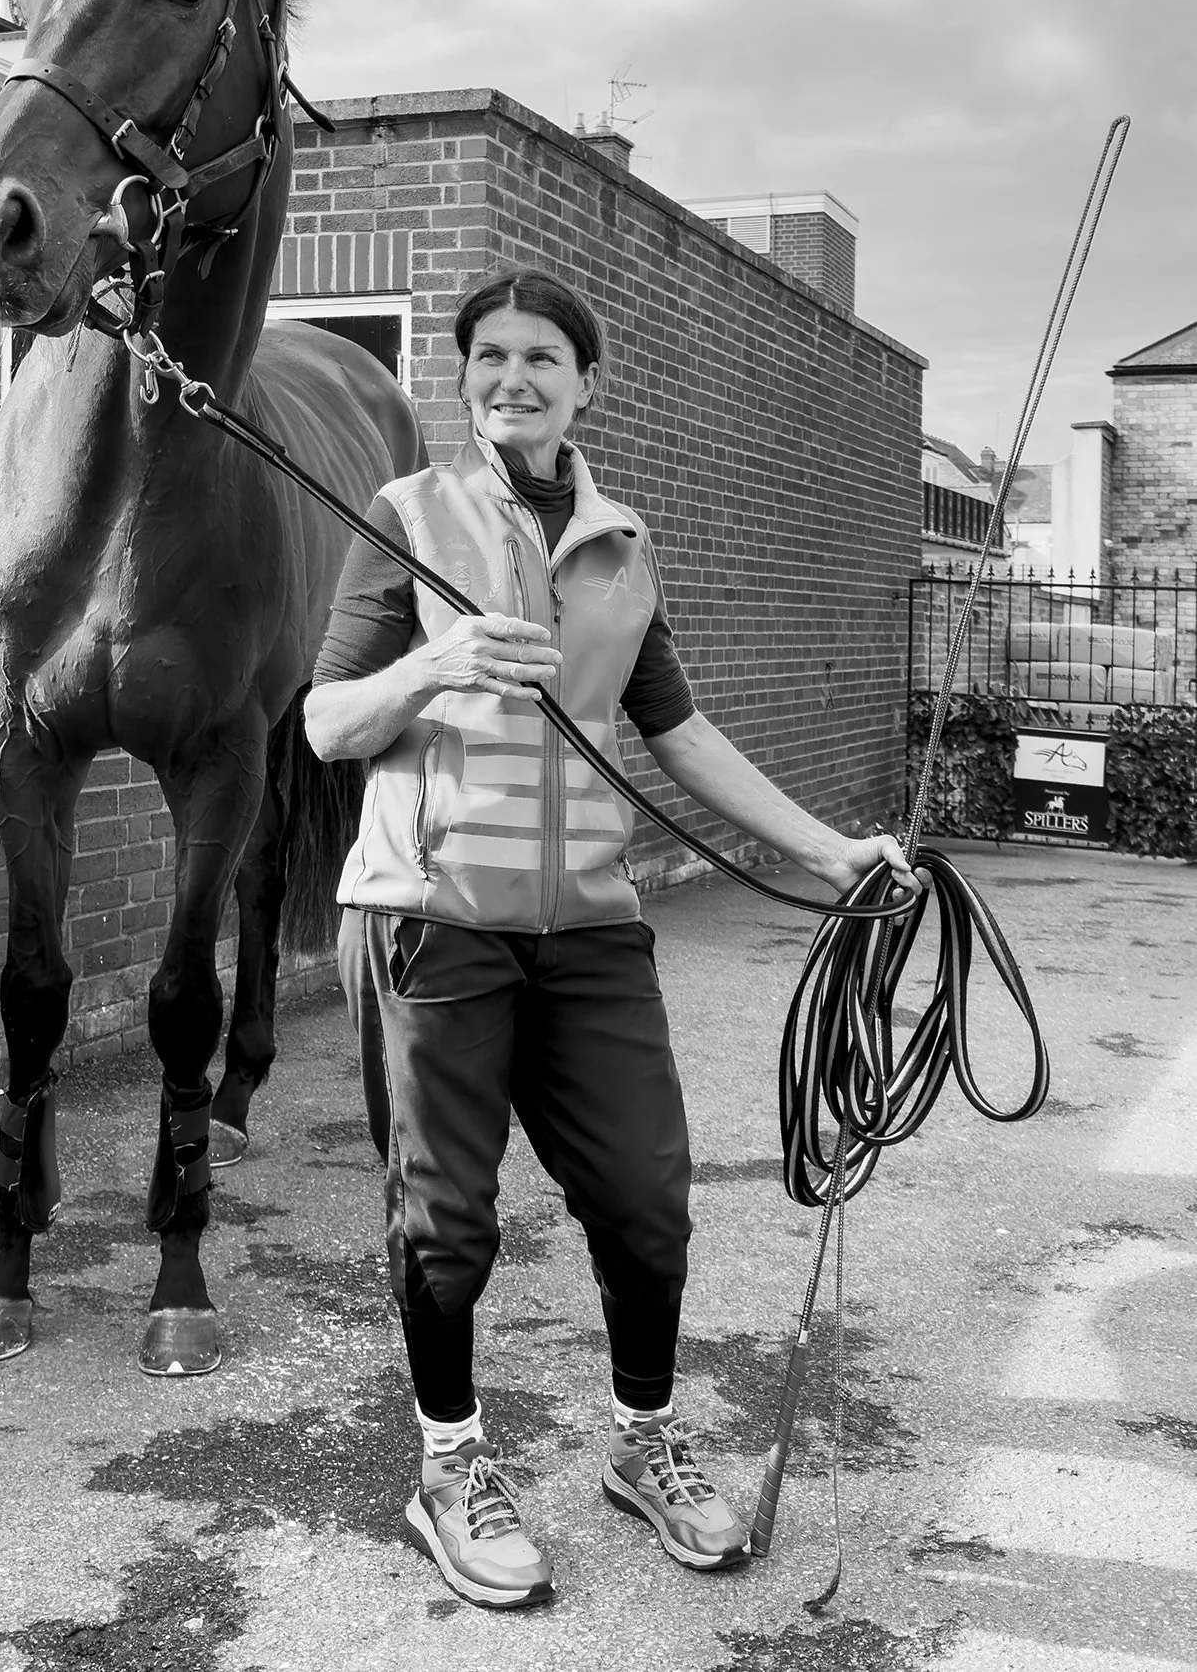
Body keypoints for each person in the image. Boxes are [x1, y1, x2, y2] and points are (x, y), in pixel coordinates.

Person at [304, 270, 917, 1612]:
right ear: (462, 376)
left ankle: (643, 1443)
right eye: (488, 355)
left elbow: (677, 731)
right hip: (431, 917)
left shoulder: (622, 545)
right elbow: (326, 722)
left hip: (589, 925)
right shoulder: (408, 515)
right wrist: (435, 664)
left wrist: (827, 851)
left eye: (541, 357)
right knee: (446, 1221)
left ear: (586, 383)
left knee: (645, 1200)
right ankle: (449, 1467)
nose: (511, 377)